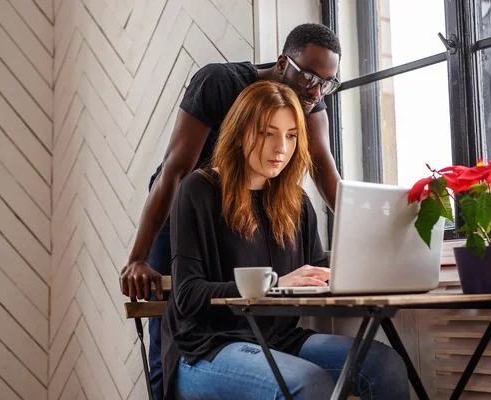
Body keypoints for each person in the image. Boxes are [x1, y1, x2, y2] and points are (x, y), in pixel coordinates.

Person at [120, 23, 344, 398]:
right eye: (308, 77)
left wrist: (361, 238)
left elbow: (324, 169)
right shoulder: (220, 83)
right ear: (283, 63)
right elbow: (175, 170)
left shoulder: (310, 97)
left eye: (326, 83)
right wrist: (138, 257)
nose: (315, 91)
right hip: (186, 202)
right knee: (176, 320)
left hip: (253, 210)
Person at [160, 80, 409, 399]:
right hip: (205, 347)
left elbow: (315, 270)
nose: (281, 147)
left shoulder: (298, 203)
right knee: (308, 382)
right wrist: (273, 284)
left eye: (291, 135)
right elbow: (187, 294)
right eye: (268, 133)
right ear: (241, 133)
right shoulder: (199, 190)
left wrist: (356, 273)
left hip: (279, 340)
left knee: (384, 364)